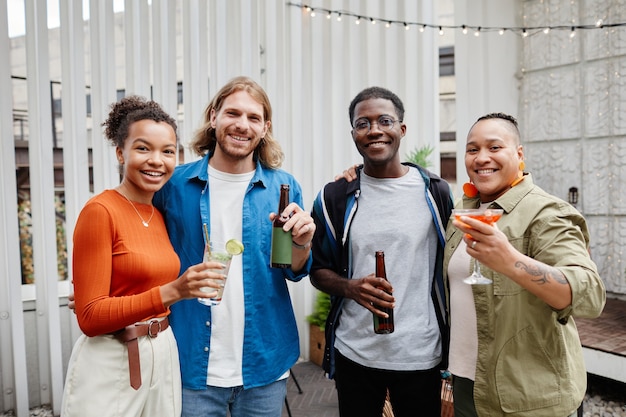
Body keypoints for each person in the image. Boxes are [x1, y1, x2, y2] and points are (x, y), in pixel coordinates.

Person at [152, 76, 315, 417]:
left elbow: (294, 270)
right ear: (214, 117)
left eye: (254, 118)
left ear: (265, 127)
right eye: (233, 113)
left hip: (264, 364)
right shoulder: (174, 185)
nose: (242, 125)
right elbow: (144, 246)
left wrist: (303, 244)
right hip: (191, 363)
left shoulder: (284, 187)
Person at [62, 96, 222, 417]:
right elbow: (90, 318)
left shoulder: (158, 214)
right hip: (114, 357)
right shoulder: (100, 211)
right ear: (121, 153)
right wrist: (173, 291)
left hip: (163, 351)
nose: (157, 161)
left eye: (167, 151)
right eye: (143, 148)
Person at [446, 112, 606, 417]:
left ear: (519, 155)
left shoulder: (547, 213)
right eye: (472, 149)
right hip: (468, 385)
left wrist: (510, 261)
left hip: (529, 397)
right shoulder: (464, 209)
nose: (481, 158)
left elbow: (590, 295)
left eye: (494, 148)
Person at [309, 86, 453, 417]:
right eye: (363, 123)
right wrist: (349, 287)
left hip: (420, 353)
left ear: (401, 130)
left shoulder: (436, 193)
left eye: (384, 120)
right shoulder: (335, 197)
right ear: (354, 134)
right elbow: (317, 270)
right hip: (356, 352)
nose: (374, 130)